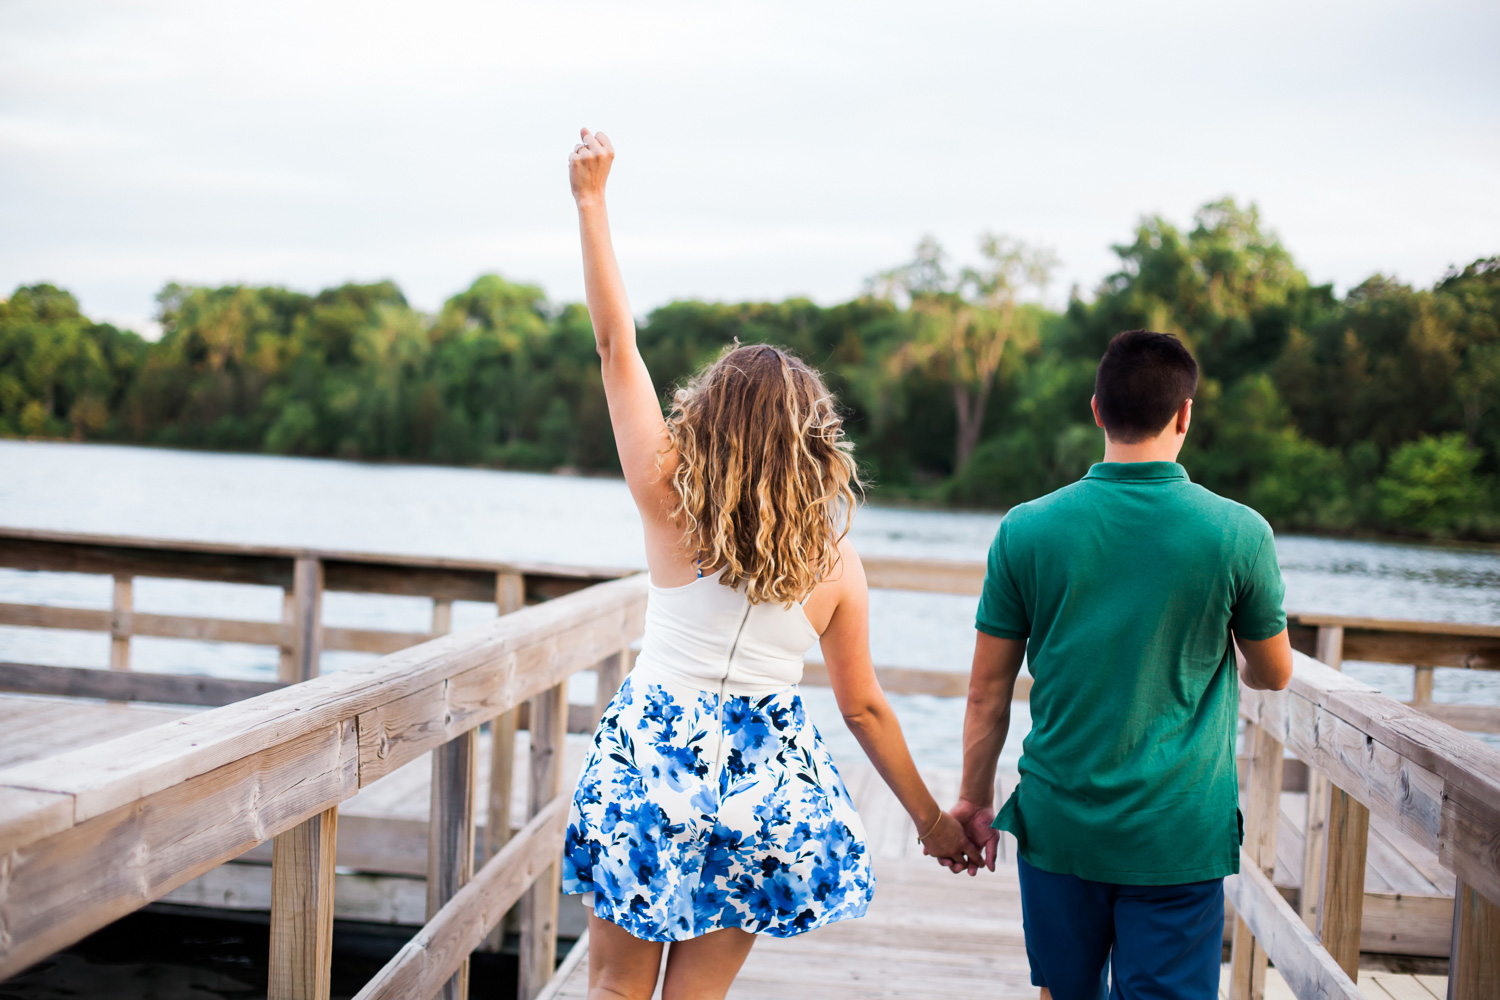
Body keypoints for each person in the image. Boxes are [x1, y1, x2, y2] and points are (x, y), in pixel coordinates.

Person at [560, 127, 983, 1000]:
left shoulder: (668, 499)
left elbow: (616, 347)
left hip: (652, 761)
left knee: (612, 992)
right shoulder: (834, 563)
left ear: (705, 418)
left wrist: (592, 203)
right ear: (814, 442)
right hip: (765, 785)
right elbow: (863, 708)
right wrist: (933, 822)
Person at [943, 330, 1294, 1000]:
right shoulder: (1240, 533)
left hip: (1060, 822)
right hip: (1178, 829)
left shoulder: (1026, 528)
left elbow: (986, 692)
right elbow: (1273, 672)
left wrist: (975, 799)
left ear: (1097, 409)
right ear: (1185, 414)